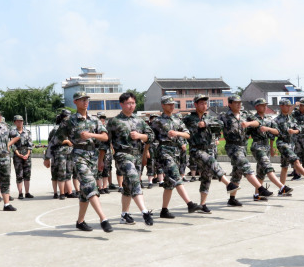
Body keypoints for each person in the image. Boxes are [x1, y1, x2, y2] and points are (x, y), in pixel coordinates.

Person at [54, 92, 112, 233]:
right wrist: (67, 143)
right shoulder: (69, 120)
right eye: (81, 100)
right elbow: (57, 138)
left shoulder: (94, 120)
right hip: (78, 156)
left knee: (85, 192)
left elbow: (105, 137)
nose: (85, 102)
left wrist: (90, 135)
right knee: (90, 185)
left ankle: (80, 222)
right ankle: (103, 219)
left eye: (86, 99)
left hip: (93, 155)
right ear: (75, 102)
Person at [183, 94, 240, 213]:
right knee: (212, 161)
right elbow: (181, 129)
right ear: (195, 105)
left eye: (205, 103)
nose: (204, 105)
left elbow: (220, 124)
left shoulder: (209, 118)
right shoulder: (189, 119)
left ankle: (202, 204)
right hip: (196, 150)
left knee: (206, 177)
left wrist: (206, 123)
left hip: (208, 149)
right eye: (201, 103)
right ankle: (228, 184)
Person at [106, 92, 154, 226]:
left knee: (128, 186)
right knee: (134, 180)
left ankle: (124, 215)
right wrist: (101, 160)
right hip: (122, 155)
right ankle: (145, 212)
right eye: (128, 103)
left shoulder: (139, 121)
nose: (131, 106)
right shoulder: (114, 121)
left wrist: (140, 136)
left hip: (136, 156)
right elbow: (106, 141)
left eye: (133, 103)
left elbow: (151, 136)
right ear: (121, 104)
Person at [150, 96, 203, 219]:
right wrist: (148, 151)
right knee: (176, 176)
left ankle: (164, 210)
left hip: (176, 152)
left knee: (169, 183)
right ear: (163, 105)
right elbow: (150, 137)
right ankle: (190, 204)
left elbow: (187, 134)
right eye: (169, 104)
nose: (172, 106)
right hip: (164, 151)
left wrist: (177, 133)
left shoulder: (177, 119)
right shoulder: (157, 121)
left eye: (173, 104)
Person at [217, 95, 272, 206]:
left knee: (237, 173)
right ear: (230, 104)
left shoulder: (245, 115)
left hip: (243, 147)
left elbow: (258, 122)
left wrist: (248, 123)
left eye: (240, 102)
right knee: (245, 165)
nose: (239, 104)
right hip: (232, 147)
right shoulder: (224, 116)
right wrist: (216, 138)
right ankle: (260, 189)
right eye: (236, 103)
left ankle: (232, 199)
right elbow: (216, 128)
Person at [248, 98, 299, 200]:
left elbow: (277, 131)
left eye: (265, 105)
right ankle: (282, 187)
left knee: (261, 172)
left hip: (266, 146)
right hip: (258, 146)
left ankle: (257, 195)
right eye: (262, 105)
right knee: (268, 167)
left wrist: (268, 129)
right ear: (257, 107)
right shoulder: (252, 118)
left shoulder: (269, 118)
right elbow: (252, 126)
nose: (265, 107)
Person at [273, 99, 304, 187]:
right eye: (287, 105)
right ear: (281, 106)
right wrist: (271, 147)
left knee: (285, 167)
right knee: (296, 160)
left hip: (291, 143)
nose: (289, 107)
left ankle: (282, 188)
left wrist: (294, 131)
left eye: (289, 106)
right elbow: (274, 134)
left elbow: (298, 128)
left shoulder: (291, 118)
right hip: (283, 143)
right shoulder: (276, 120)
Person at [44, 109, 75, 199]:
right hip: (59, 154)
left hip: (69, 152)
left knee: (68, 173)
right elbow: (52, 142)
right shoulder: (56, 129)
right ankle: (61, 193)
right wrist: (66, 141)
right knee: (61, 173)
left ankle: (69, 192)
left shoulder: (70, 128)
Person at [10, 115, 34, 199]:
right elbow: (12, 144)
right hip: (17, 155)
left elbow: (30, 144)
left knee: (27, 174)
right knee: (19, 175)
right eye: (18, 121)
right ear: (14, 122)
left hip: (26, 154)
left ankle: (27, 192)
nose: (20, 122)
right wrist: (18, 154)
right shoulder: (12, 132)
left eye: (21, 121)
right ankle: (20, 193)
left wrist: (27, 154)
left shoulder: (27, 132)